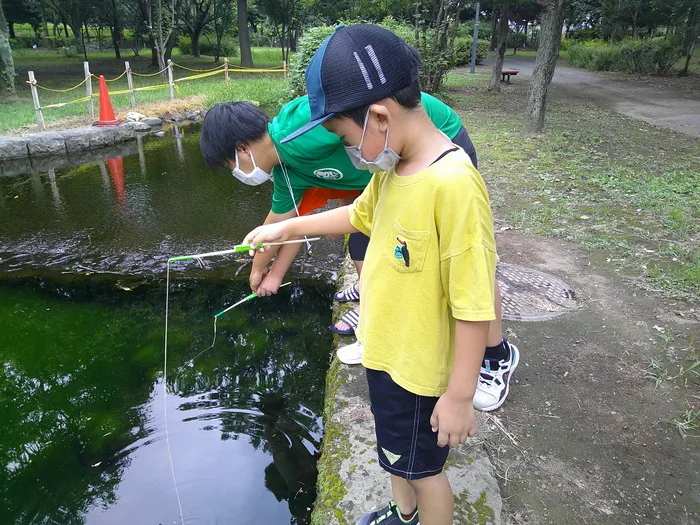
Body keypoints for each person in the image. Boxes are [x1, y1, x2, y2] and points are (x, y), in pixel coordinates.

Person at [242, 24, 517, 525]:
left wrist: (458, 396)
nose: (350, 151)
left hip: (420, 373)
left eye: (345, 137)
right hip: (389, 355)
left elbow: (475, 303)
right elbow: (357, 216)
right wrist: (288, 226)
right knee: (396, 458)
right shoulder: (392, 170)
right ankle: (403, 513)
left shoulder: (453, 186)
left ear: (379, 117)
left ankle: (423, 514)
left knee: (424, 471)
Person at [199, 81, 518, 413]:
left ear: (241, 149)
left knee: (463, 260)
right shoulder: (286, 174)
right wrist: (271, 274)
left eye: (229, 165)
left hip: (432, 142)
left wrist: (257, 269)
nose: (236, 173)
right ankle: (377, 332)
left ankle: (495, 357)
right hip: (378, 180)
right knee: (364, 247)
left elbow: (369, 114)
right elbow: (280, 229)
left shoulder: (301, 127)